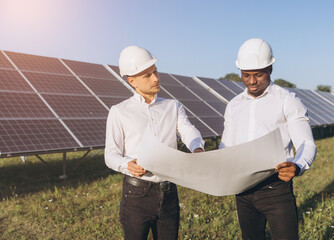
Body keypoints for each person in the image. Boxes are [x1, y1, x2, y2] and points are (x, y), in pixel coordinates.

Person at [220, 38, 317, 239]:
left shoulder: (288, 101)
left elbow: (306, 143)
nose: (252, 81)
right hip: (243, 190)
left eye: (258, 74)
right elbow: (225, 146)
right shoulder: (234, 105)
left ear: (270, 69)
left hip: (276, 189)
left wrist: (298, 166)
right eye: (246, 75)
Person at [105, 46, 204, 240]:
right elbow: (110, 154)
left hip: (168, 194)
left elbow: (188, 131)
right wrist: (127, 165)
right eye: (147, 75)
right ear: (131, 80)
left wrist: (197, 148)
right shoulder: (119, 112)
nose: (156, 79)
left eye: (155, 72)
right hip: (136, 195)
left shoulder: (172, 106)